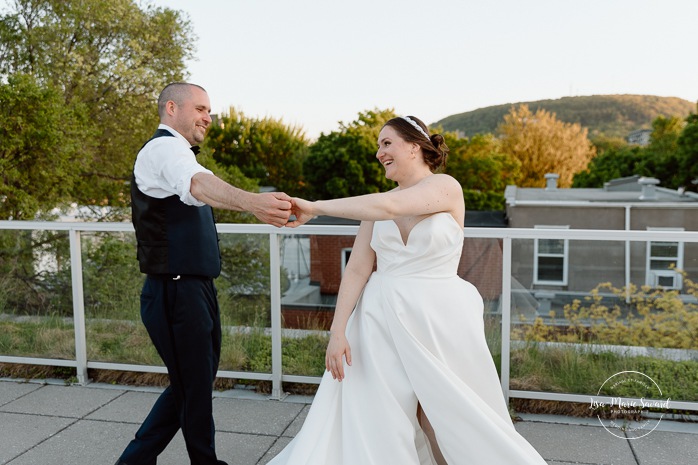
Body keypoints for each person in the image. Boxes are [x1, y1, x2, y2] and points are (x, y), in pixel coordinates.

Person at [273, 116, 548, 464]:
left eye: (386, 143)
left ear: (414, 146)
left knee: (445, 413)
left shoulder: (446, 187)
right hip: (379, 318)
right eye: (378, 145)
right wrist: (338, 330)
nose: (379, 153)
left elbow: (391, 207)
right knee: (383, 414)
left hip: (437, 317)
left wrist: (314, 207)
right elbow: (358, 268)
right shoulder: (375, 204)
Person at [115, 82, 292, 465]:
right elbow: (197, 184)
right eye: (200, 109)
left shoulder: (181, 154)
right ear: (172, 108)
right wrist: (252, 202)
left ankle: (134, 462)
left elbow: (197, 183)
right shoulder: (164, 149)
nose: (208, 118)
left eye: (209, 111)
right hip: (174, 291)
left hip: (193, 290)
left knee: (192, 384)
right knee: (192, 386)